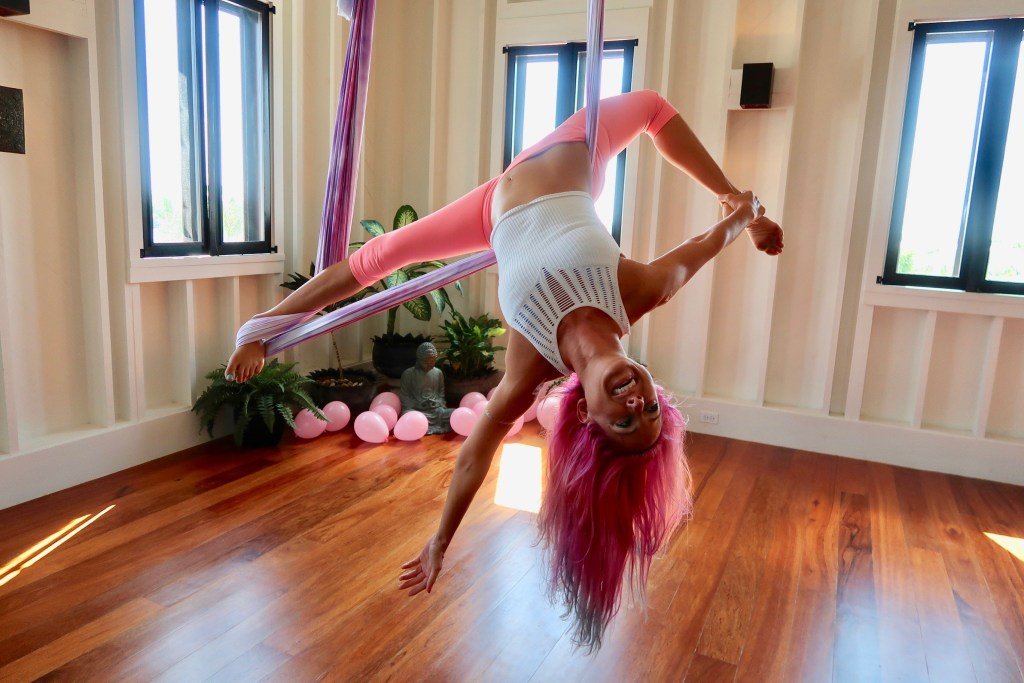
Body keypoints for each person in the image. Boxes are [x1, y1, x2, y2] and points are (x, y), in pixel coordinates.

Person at [225, 89, 783, 650]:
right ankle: (267, 326)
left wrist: (440, 540)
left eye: (624, 424)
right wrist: (747, 212)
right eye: (652, 411)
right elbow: (714, 235)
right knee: (648, 106)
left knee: (380, 257)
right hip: (574, 152)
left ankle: (262, 327)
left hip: (495, 211)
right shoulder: (643, 290)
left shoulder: (529, 365)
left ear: (587, 413)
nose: (637, 406)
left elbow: (473, 458)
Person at [398, 342, 453, 434]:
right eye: (426, 362)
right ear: (419, 360)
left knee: (453, 413)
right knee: (408, 416)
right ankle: (422, 426)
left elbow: (441, 394)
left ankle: (424, 427)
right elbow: (404, 396)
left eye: (432, 361)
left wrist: (437, 403)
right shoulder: (408, 374)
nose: (430, 364)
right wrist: (417, 404)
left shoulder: (438, 373)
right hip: (416, 410)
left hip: (436, 411)